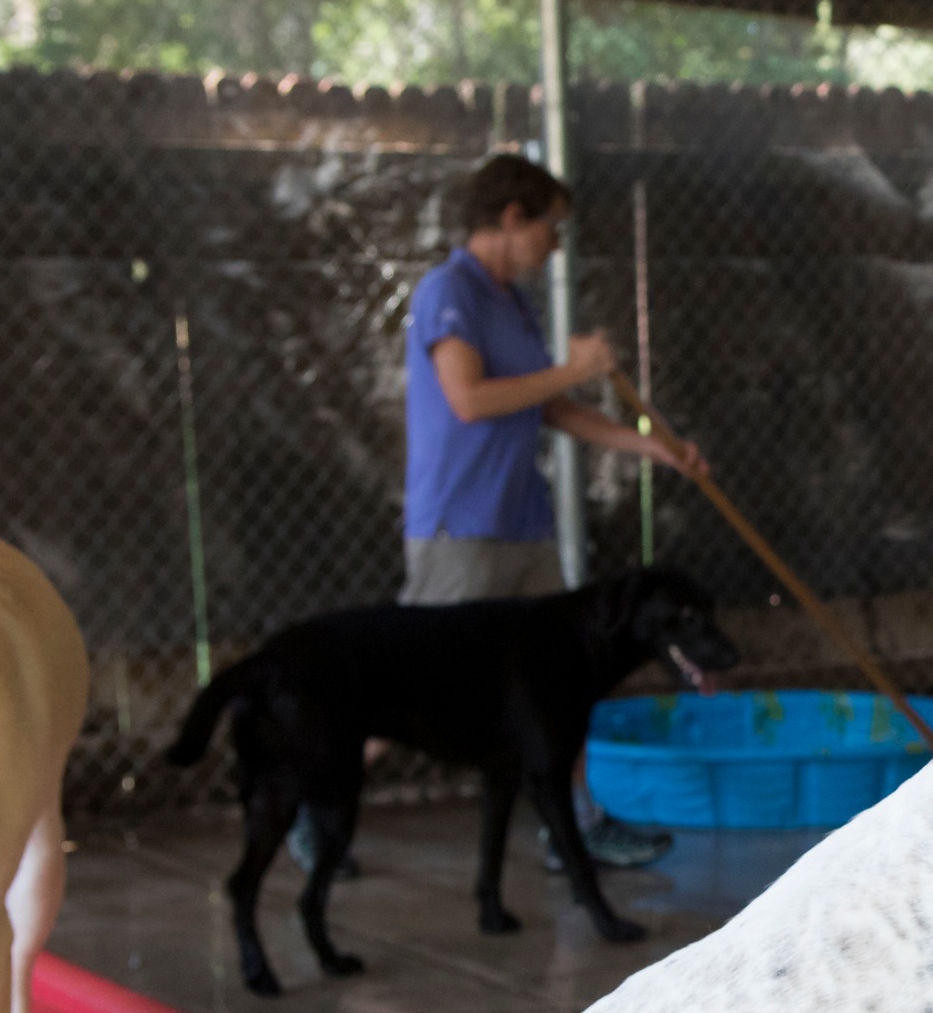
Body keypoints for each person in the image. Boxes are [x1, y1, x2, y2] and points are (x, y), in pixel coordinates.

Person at [301, 153, 705, 876]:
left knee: (564, 677)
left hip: (523, 523)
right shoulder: (447, 291)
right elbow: (471, 398)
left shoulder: (509, 299)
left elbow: (544, 403)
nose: (556, 244)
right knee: (406, 684)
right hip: (463, 524)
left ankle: (576, 825)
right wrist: (575, 368)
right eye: (550, 227)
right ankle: (314, 804)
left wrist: (653, 447)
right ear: (512, 218)